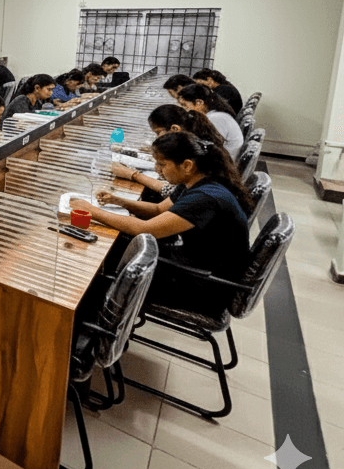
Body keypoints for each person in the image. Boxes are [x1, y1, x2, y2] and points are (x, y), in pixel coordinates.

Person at [69, 130, 252, 315]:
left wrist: (92, 211)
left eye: (162, 164)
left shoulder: (204, 198)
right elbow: (158, 210)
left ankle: (90, 325)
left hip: (206, 287)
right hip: (196, 263)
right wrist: (120, 201)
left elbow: (145, 229)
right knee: (119, 247)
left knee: (100, 278)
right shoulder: (195, 182)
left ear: (187, 165)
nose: (157, 169)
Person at [111, 104, 225, 203]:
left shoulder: (195, 153)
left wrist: (133, 174)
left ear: (175, 129)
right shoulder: (195, 143)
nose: (156, 138)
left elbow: (172, 192)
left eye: (158, 133)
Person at [177, 83, 244, 160]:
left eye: (184, 105)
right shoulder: (217, 115)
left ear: (199, 102)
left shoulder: (215, 119)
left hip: (225, 163)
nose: (184, 109)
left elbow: (209, 150)